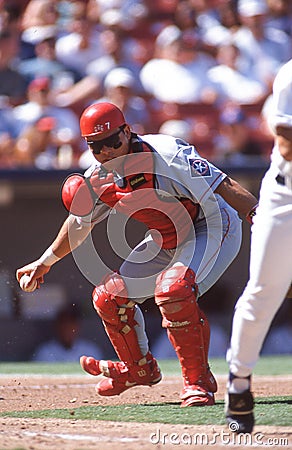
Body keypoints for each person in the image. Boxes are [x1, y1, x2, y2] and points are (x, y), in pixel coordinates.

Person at [16, 101, 257, 408]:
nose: (106, 152)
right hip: (167, 236)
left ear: (127, 132)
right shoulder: (99, 177)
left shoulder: (168, 155)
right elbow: (79, 224)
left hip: (210, 223)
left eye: (112, 142)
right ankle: (138, 369)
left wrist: (258, 217)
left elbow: (225, 185)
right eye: (96, 146)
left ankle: (197, 382)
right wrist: (44, 261)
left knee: (173, 291)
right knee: (108, 296)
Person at [225, 58, 292, 433]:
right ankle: (239, 381)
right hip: (287, 197)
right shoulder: (290, 76)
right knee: (265, 292)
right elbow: (286, 143)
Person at [32, 304, 102, 362]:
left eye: (71, 324)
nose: (67, 328)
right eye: (64, 324)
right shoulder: (45, 351)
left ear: (77, 326)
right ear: (57, 326)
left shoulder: (90, 350)